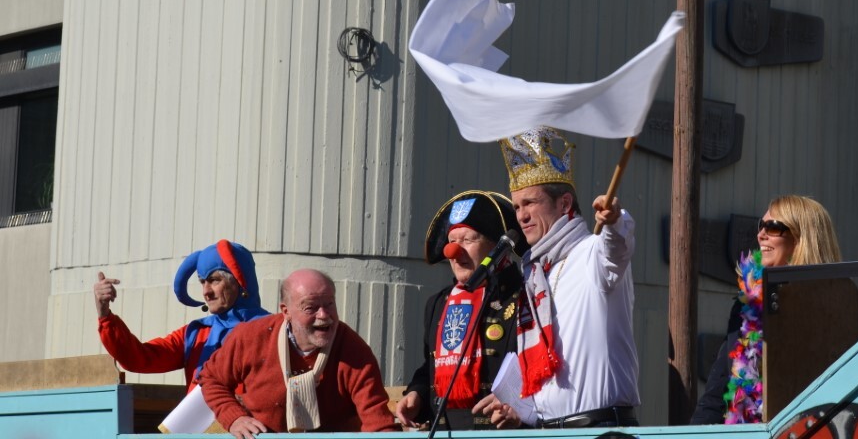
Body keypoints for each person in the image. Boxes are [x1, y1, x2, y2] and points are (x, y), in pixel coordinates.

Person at [473, 126, 640, 429]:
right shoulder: (535, 274)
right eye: (517, 206)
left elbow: (617, 247)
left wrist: (614, 219)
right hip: (548, 430)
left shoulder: (592, 253)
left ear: (564, 204)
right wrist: (520, 407)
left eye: (530, 203)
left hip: (599, 428)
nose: (521, 216)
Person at [689, 194, 843, 424]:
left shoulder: (833, 309)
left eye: (773, 227)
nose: (761, 234)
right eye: (761, 225)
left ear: (802, 237)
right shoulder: (747, 306)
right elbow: (716, 394)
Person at [198, 268, 398, 438]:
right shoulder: (251, 337)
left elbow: (378, 423)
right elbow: (211, 378)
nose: (324, 315)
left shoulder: (353, 351)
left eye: (329, 304)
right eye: (311, 308)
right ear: (286, 311)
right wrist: (234, 417)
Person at [396, 190, 528, 430]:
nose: (454, 252)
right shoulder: (438, 303)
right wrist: (417, 394)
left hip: (499, 431)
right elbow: (430, 367)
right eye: (452, 241)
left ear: (497, 247)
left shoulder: (524, 296)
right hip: (446, 431)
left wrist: (518, 404)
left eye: (468, 240)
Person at [94, 239, 268, 390]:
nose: (206, 292)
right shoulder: (195, 334)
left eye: (214, 280)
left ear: (239, 281)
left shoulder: (271, 331)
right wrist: (104, 314)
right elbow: (139, 358)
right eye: (202, 282)